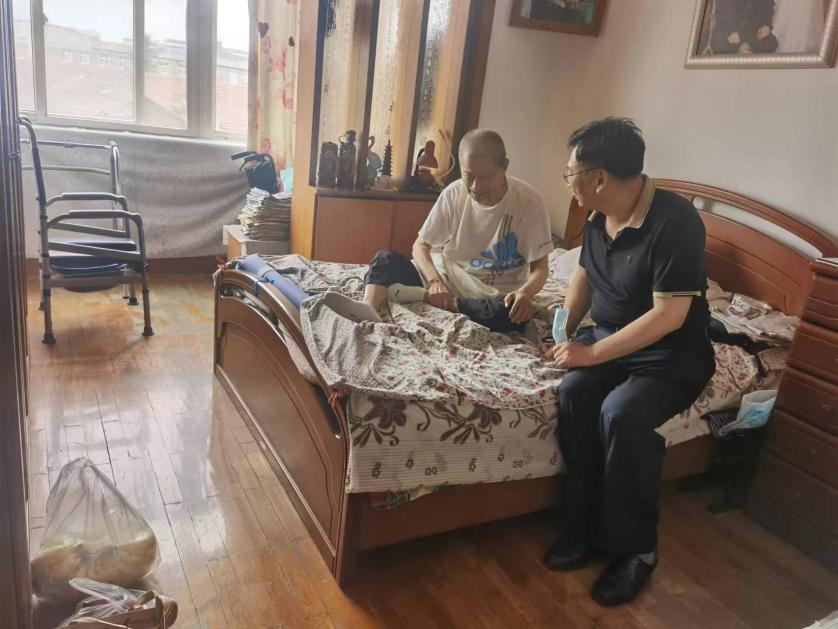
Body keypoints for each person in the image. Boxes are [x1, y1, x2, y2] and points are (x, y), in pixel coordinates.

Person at [543, 118, 715, 607]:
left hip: (670, 353)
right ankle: (583, 525)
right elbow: (585, 273)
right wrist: (565, 330)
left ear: (598, 177)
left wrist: (592, 353)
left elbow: (669, 315)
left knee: (622, 415)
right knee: (575, 393)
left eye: (570, 173)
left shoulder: (676, 222)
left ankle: (637, 548)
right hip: (610, 337)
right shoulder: (596, 215)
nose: (568, 181)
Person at [360, 129, 553, 333]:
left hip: (492, 294)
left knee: (513, 315)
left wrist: (525, 293)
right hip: (448, 277)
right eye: (469, 176)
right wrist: (435, 281)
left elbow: (540, 268)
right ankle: (366, 310)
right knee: (385, 259)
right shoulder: (453, 193)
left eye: (484, 177)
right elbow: (420, 246)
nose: (475, 187)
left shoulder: (529, 202)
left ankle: (435, 300)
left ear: (504, 166)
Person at [710, 0, 779, 54]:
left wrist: (767, 25)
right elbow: (724, 19)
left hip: (753, 33)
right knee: (718, 43)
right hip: (732, 32)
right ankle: (744, 50)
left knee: (770, 42)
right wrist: (739, 35)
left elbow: (768, 7)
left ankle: (745, 49)